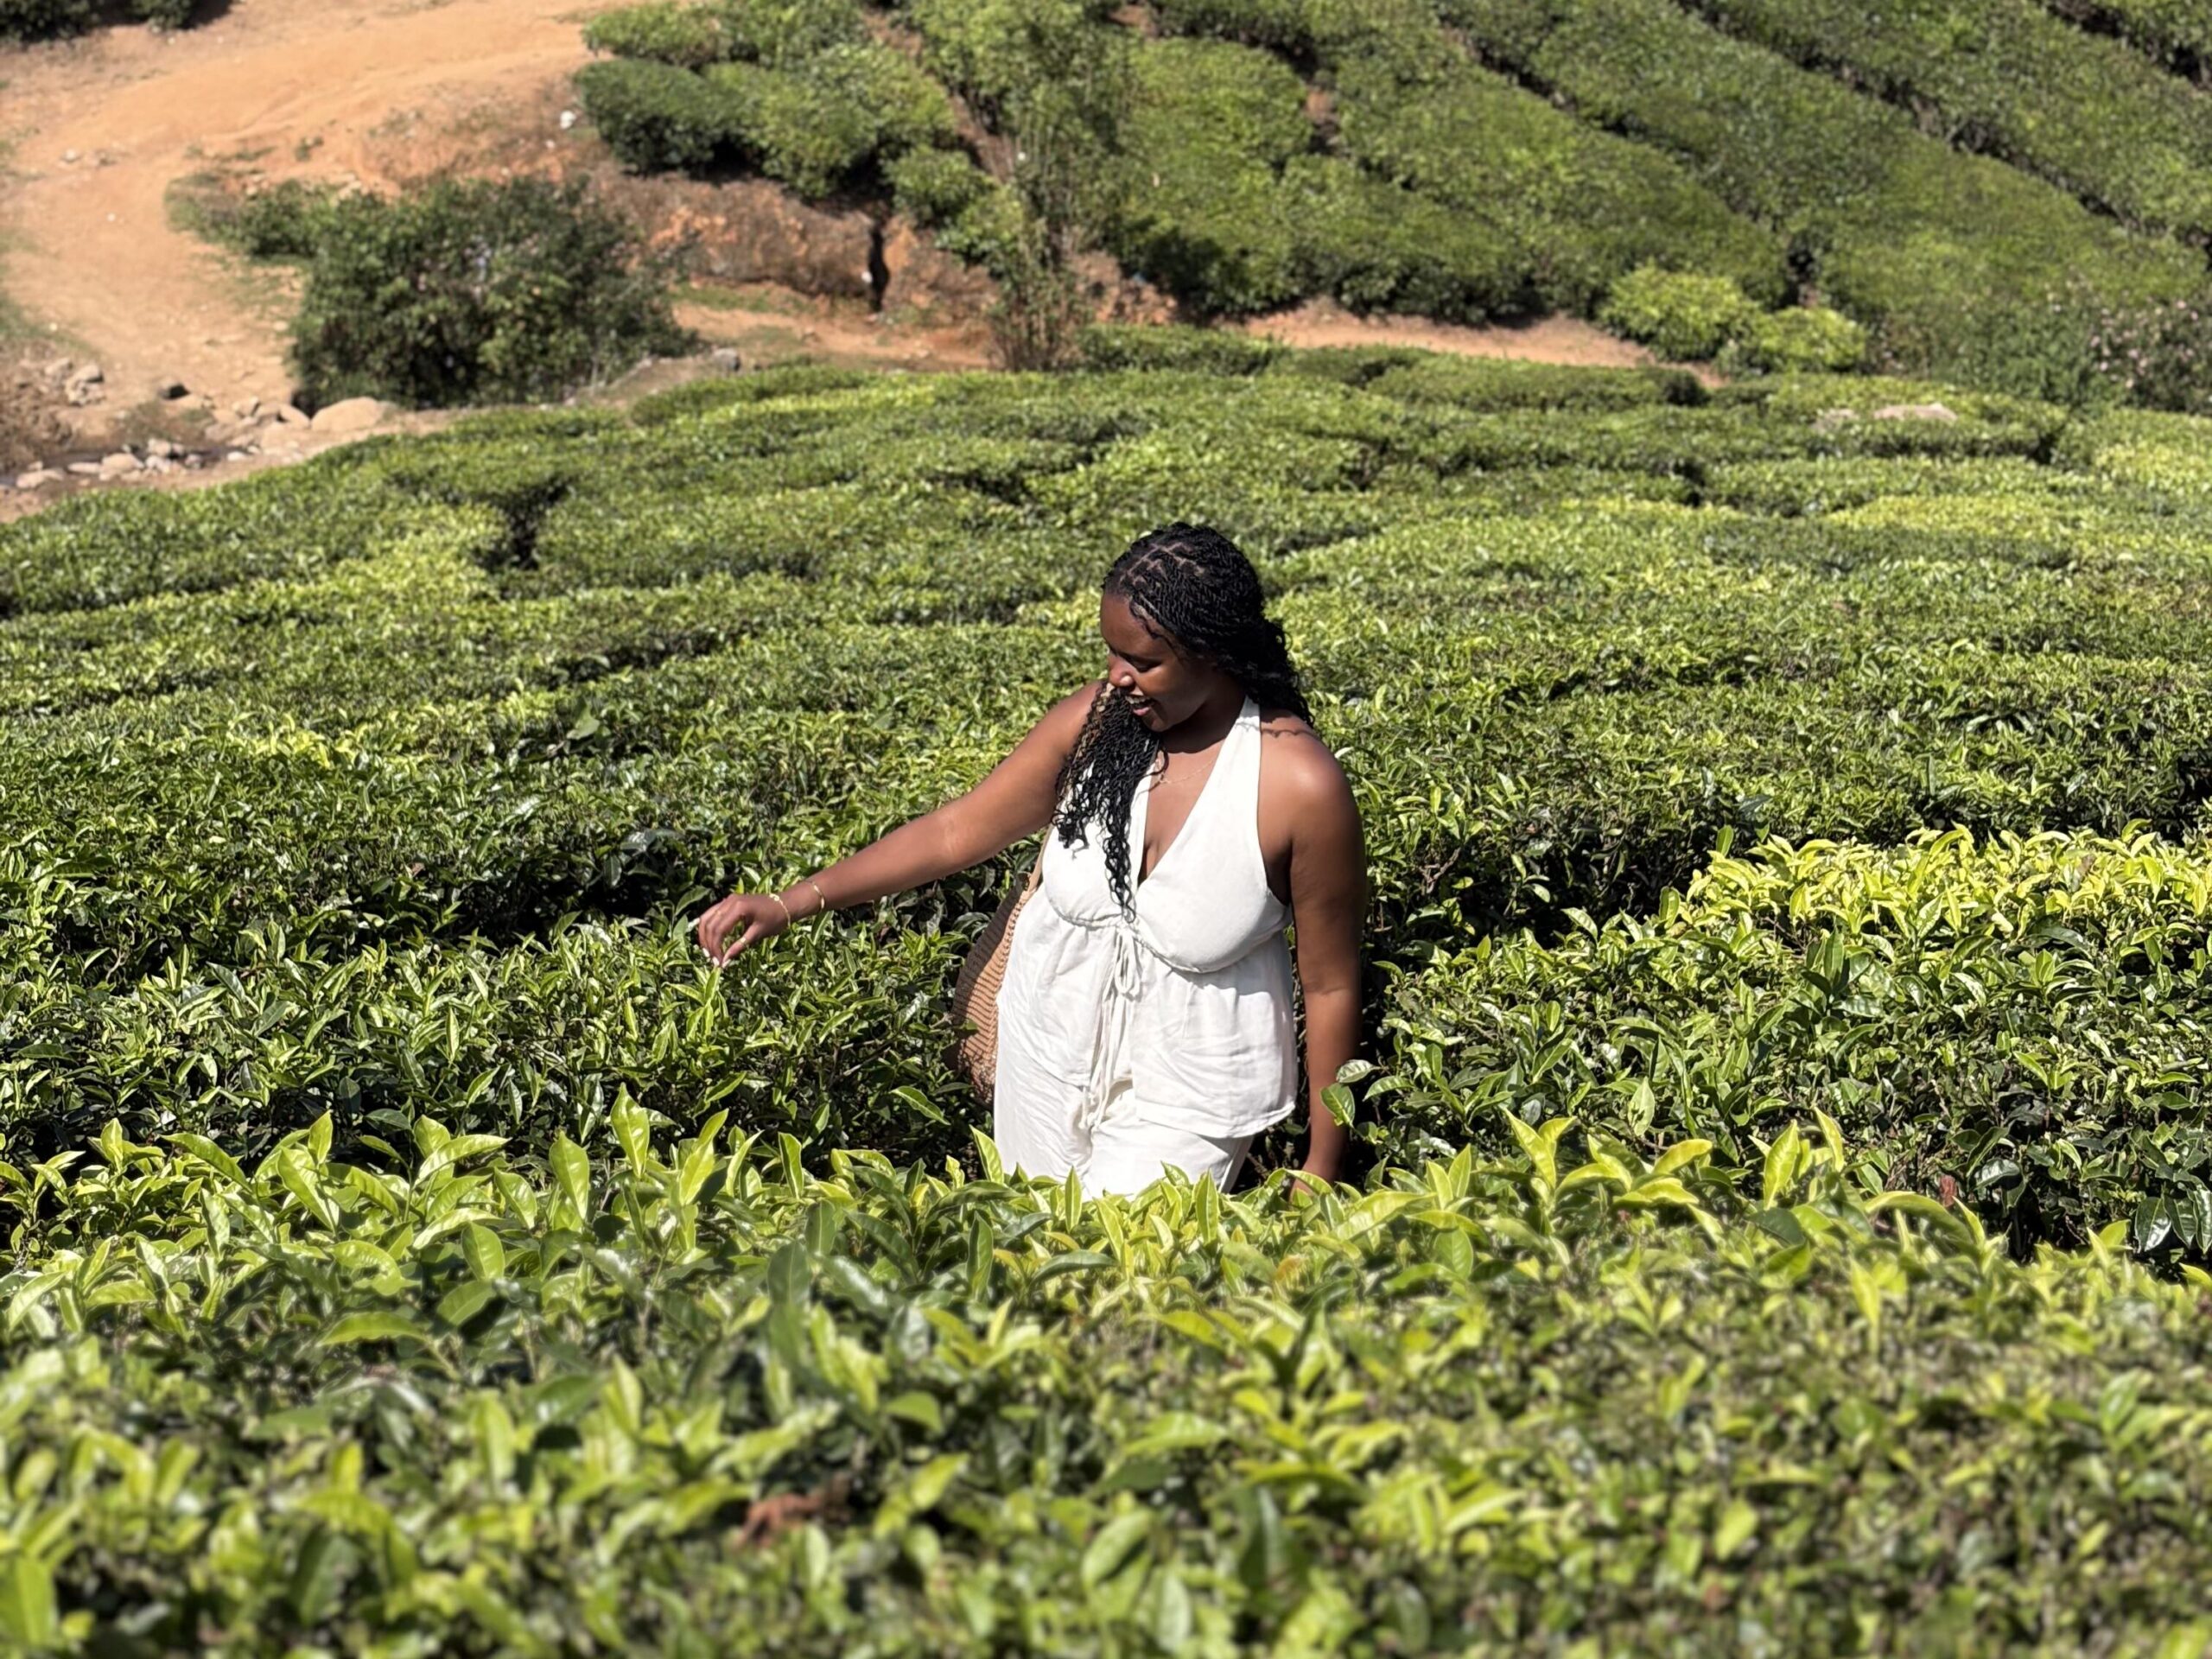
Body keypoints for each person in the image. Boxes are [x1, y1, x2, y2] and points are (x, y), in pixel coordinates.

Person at [695, 522, 1365, 1197]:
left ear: (1214, 653)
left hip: (1191, 1090)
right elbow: (957, 831)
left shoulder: (1296, 787)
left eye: (1143, 663)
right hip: (1043, 1056)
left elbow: (1331, 984)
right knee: (1034, 1255)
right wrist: (789, 903)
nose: (1117, 678)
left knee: (1122, 1272)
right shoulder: (1097, 723)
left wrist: (1323, 1163)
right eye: (1111, 653)